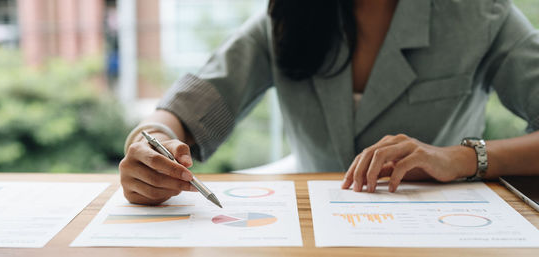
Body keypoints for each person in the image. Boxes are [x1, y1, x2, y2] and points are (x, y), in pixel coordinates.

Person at [118, 0, 539, 205]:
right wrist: (149, 144)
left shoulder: (482, 14)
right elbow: (186, 109)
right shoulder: (286, 15)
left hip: (435, 234)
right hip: (310, 235)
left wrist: (463, 158)